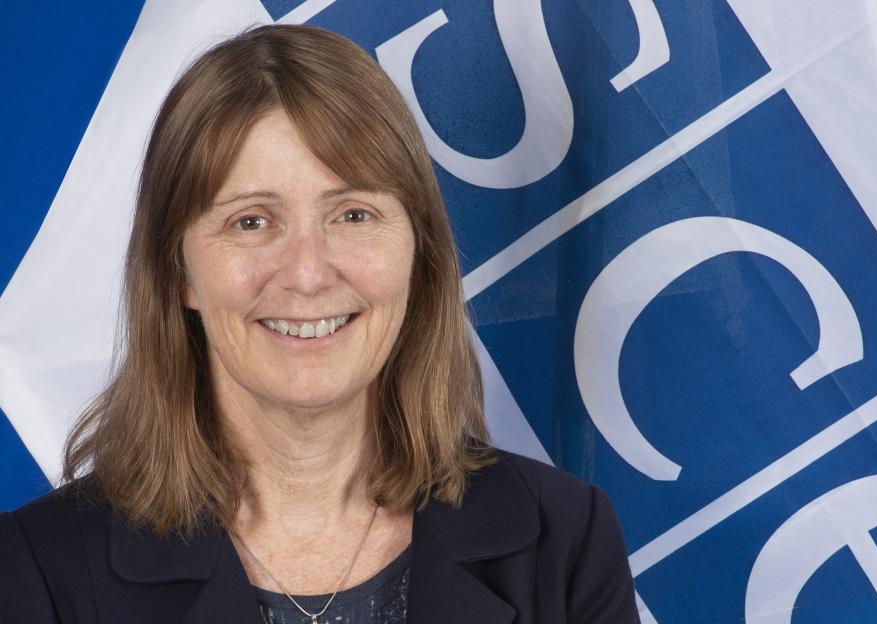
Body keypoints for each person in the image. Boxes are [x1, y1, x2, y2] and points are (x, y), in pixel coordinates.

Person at [0, 24, 640, 623]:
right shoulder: (39, 572)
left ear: (418, 253)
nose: (307, 274)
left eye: (353, 215)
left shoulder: (565, 541)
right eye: (252, 221)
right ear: (177, 272)